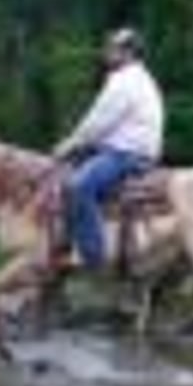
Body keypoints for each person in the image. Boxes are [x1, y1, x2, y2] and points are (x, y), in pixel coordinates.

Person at [53, 27, 164, 269]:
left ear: (128, 53)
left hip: (126, 154)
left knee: (77, 187)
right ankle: (73, 240)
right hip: (132, 150)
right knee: (72, 176)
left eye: (113, 48)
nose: (107, 52)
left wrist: (70, 143)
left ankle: (92, 255)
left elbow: (99, 121)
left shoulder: (124, 81)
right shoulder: (139, 78)